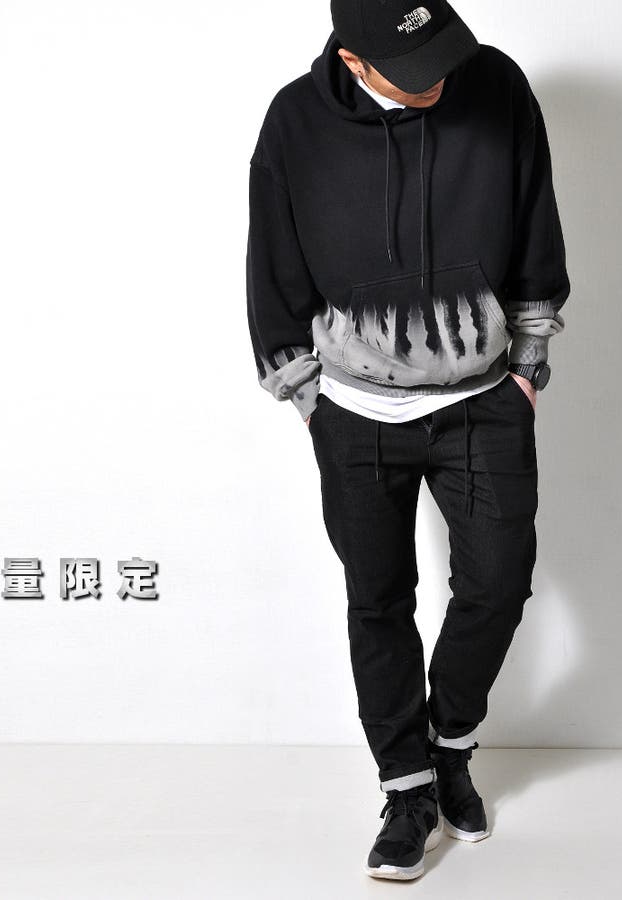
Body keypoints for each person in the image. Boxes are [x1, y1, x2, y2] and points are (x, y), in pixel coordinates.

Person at [246, 0, 570, 881]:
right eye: (412, 67)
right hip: (354, 413)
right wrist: (307, 397)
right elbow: (272, 265)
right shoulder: (295, 121)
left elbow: (535, 218)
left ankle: (450, 744)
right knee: (378, 600)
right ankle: (407, 788)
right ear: (354, 60)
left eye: (442, 53)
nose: (438, 78)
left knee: (499, 583)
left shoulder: (496, 86)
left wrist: (527, 365)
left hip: (483, 400)